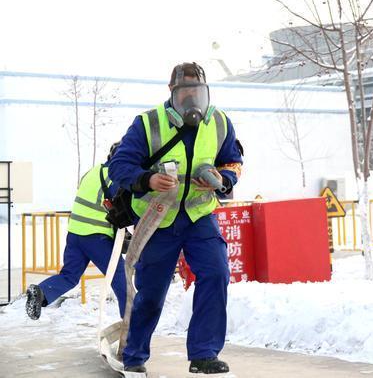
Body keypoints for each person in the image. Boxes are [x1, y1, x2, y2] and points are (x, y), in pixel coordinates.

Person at [109, 62, 242, 374]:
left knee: (216, 274)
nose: (192, 98)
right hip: (159, 220)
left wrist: (221, 179)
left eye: (198, 91)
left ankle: (204, 354)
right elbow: (120, 166)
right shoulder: (148, 123)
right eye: (186, 92)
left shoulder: (220, 122)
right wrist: (147, 180)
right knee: (152, 293)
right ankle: (134, 354)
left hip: (199, 217)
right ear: (172, 92)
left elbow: (234, 163)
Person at [26, 143, 127, 320]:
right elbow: (124, 204)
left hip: (75, 234)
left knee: (69, 276)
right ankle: (131, 329)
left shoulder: (92, 172)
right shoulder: (116, 175)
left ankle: (41, 292)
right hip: (97, 236)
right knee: (121, 278)